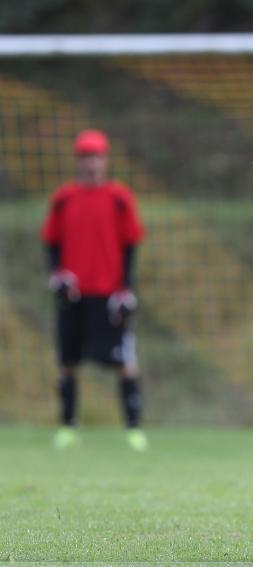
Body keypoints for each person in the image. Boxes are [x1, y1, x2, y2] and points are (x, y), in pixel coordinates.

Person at [41, 129, 147, 451]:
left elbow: (130, 243)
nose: (91, 163)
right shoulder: (64, 198)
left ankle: (133, 428)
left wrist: (125, 287)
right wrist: (56, 274)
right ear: (78, 160)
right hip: (74, 293)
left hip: (108, 293)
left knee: (124, 361)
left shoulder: (119, 197)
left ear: (105, 160)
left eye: (96, 156)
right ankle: (68, 426)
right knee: (67, 359)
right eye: (85, 157)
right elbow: (51, 241)